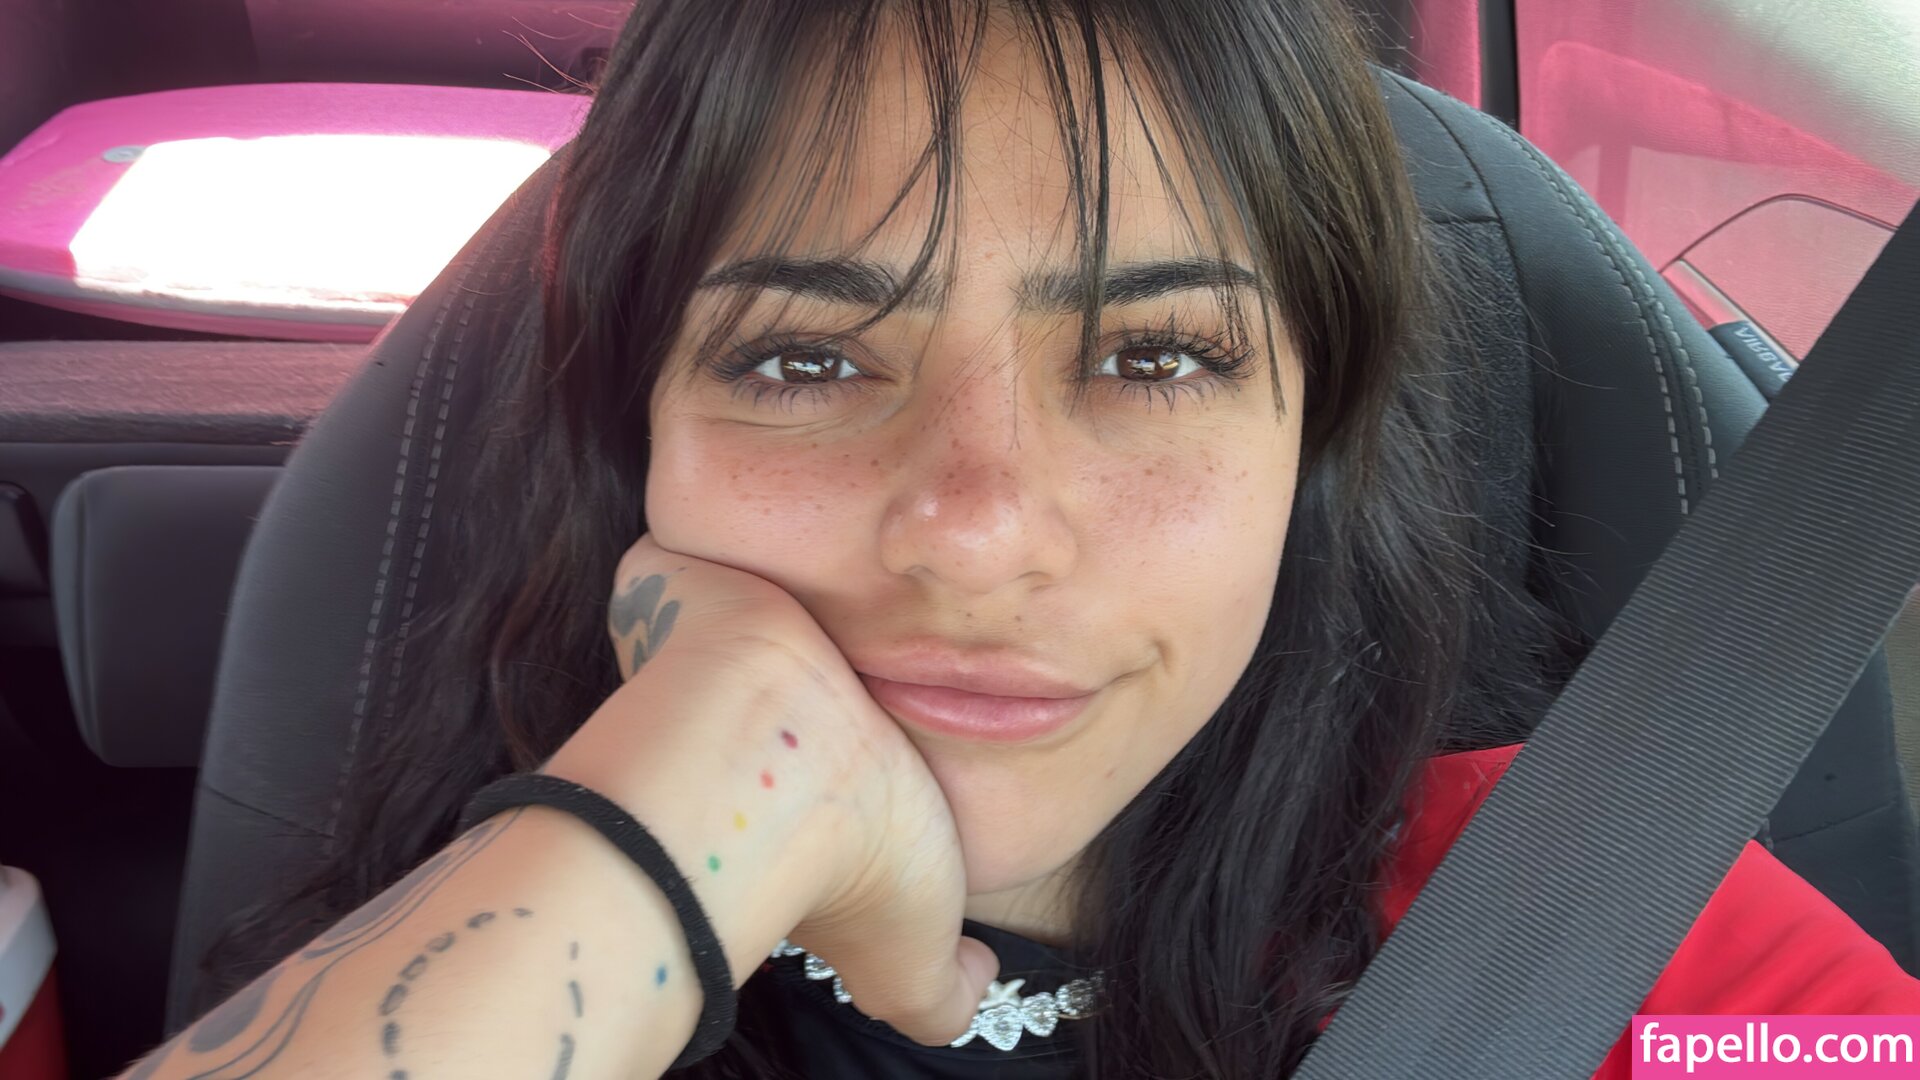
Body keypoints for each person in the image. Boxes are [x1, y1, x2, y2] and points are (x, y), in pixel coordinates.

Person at [120, 1, 1920, 1077]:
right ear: (640, 441)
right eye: (805, 359)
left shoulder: (1626, 932)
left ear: (1309, 448)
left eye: (1155, 358)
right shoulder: (473, 949)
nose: (977, 533)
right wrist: (679, 814)